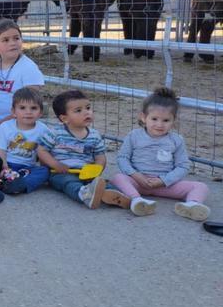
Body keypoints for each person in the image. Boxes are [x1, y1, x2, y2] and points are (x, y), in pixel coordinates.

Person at [109, 87, 210, 220]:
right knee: (118, 178)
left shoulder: (176, 140)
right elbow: (122, 158)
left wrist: (163, 180)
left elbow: (183, 166)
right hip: (138, 182)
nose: (160, 124)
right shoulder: (134, 136)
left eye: (166, 120)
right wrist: (136, 175)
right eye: (154, 119)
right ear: (144, 117)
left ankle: (192, 205)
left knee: (201, 186)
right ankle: (137, 201)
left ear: (174, 121)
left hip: (165, 185)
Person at [37, 90, 115, 209]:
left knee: (101, 182)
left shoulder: (95, 135)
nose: (86, 113)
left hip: (86, 171)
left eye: (88, 108)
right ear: (64, 118)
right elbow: (41, 150)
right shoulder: (56, 133)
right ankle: (83, 194)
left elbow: (100, 156)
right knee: (68, 183)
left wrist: (97, 169)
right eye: (78, 110)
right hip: (62, 171)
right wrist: (55, 164)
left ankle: (116, 196)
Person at [0, 87, 50, 195]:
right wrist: (5, 168)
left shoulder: (43, 130)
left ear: (40, 112)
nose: (28, 112)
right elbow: (0, 150)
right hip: (5, 163)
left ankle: (19, 185)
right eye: (22, 108)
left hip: (26, 167)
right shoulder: (5, 126)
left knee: (44, 172)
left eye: (33, 108)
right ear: (13, 111)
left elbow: (46, 151)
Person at [0, 21, 44, 136]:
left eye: (16, 38)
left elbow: (29, 106)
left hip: (18, 126)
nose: (13, 43)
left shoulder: (29, 68)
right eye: (5, 40)